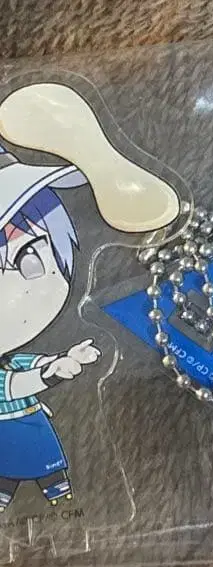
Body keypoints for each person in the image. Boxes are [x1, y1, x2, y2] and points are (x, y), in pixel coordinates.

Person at [0, 147, 100, 512]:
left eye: (29, 257)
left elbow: (24, 364)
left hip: (29, 429)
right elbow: (17, 384)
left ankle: (59, 500)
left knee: (46, 471)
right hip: (12, 432)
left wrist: (61, 358)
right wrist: (51, 373)